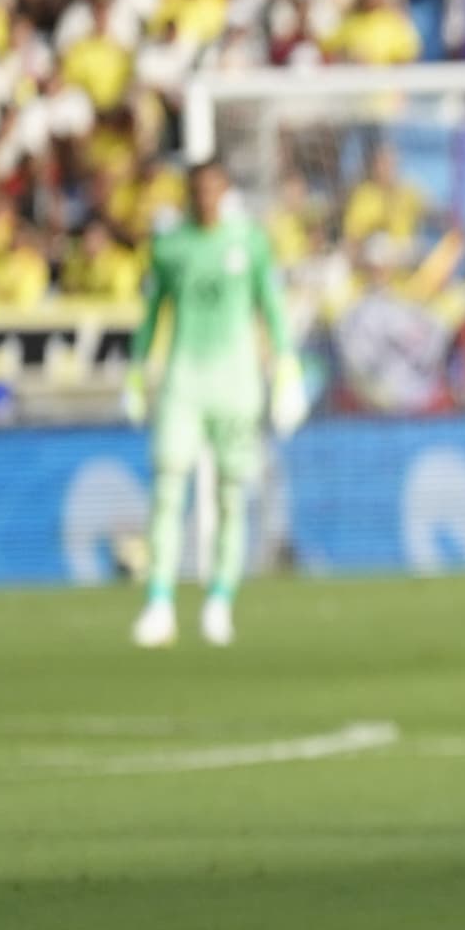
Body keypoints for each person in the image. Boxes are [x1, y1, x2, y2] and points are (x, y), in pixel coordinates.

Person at [124, 156, 303, 649]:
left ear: (225, 191)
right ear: (188, 193)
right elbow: (151, 313)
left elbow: (271, 306)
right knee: (167, 486)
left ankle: (220, 599)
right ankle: (159, 602)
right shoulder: (171, 246)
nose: (205, 199)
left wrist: (286, 367)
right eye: (197, 190)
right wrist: (137, 370)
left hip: (237, 380)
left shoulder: (248, 242)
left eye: (213, 190)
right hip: (185, 377)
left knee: (230, 493)